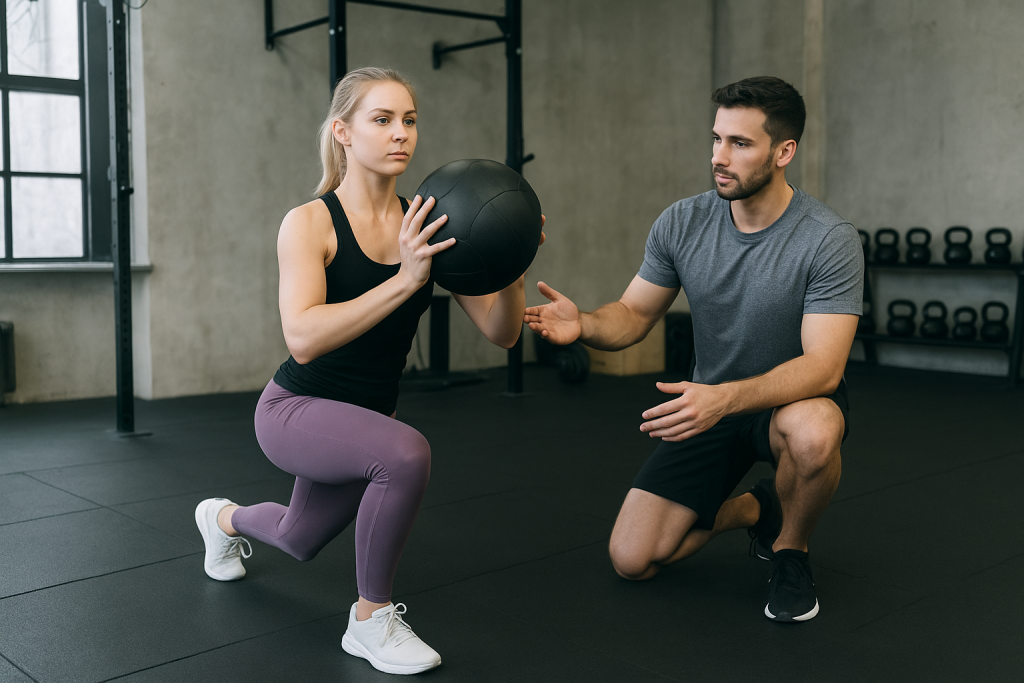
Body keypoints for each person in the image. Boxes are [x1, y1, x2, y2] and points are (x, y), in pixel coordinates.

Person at [194, 67, 535, 675]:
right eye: (381, 120)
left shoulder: (431, 223)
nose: (400, 133)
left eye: (409, 120)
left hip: (364, 420)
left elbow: (503, 332)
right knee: (406, 455)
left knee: (298, 539)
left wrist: (510, 261)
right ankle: (370, 621)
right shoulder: (310, 222)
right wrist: (406, 280)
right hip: (293, 411)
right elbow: (302, 337)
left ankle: (219, 518)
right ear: (343, 132)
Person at [525, 76, 863, 622]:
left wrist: (727, 398)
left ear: (784, 151)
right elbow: (634, 314)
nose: (719, 157)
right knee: (633, 559)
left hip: (786, 401)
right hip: (710, 406)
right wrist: (583, 323)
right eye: (716, 139)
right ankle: (759, 508)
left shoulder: (828, 239)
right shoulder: (682, 222)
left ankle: (790, 550)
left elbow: (823, 367)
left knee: (815, 430)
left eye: (740, 143)